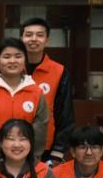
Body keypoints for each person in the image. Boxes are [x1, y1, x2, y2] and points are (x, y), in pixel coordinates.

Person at [0, 38, 49, 162]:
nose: (12, 61)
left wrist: (25, 156)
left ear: (25, 60)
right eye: (6, 56)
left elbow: (40, 129)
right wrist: (1, 155)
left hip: (27, 163)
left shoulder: (36, 93)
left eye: (18, 56)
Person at [20, 18, 73, 162]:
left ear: (47, 40)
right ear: (21, 38)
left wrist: (58, 150)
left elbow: (65, 114)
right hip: (11, 143)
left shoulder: (59, 71)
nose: (33, 39)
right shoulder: (11, 68)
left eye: (39, 35)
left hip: (46, 148)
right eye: (28, 34)